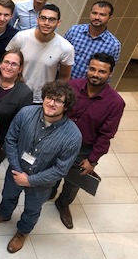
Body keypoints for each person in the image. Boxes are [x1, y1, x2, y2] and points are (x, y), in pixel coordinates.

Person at [0, 81, 82, 253]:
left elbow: (60, 169)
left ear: (66, 106)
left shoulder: (73, 136)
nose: (51, 103)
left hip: (41, 183)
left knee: (32, 209)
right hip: (15, 170)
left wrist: (30, 180)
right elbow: (11, 139)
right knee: (8, 195)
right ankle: (3, 214)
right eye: (49, 98)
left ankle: (22, 232)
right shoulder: (26, 113)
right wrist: (17, 169)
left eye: (58, 100)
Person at [53, 53, 125, 228]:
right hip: (58, 140)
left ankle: (63, 204)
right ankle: (49, 192)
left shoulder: (115, 102)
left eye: (102, 71)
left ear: (110, 74)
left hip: (84, 148)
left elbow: (106, 135)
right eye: (92, 69)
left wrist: (92, 160)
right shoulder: (71, 86)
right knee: (53, 170)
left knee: (74, 180)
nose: (95, 74)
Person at [0, 50, 34, 191]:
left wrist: (6, 146)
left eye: (14, 64)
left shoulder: (24, 93)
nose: (9, 67)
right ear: (0, 64)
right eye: (6, 62)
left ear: (20, 69)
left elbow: (20, 125)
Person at [6, 4, 75, 103]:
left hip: (42, 98)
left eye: (52, 20)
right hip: (15, 91)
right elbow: (6, 61)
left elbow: (64, 77)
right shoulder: (21, 37)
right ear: (37, 20)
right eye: (43, 18)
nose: (46, 23)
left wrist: (53, 96)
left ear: (58, 23)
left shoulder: (66, 48)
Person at [64, 1, 121, 80]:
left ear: (110, 18)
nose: (97, 17)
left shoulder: (113, 45)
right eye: (94, 13)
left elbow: (107, 73)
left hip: (85, 88)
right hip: (62, 81)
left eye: (102, 15)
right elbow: (60, 53)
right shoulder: (74, 31)